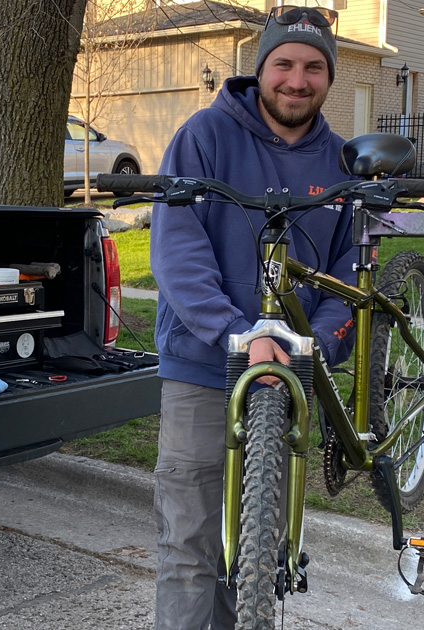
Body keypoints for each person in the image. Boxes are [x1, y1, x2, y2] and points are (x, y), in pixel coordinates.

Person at [148, 6, 359, 629]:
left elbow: (350, 272)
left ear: (329, 77)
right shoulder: (204, 136)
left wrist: (311, 342)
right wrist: (233, 332)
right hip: (203, 366)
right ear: (261, 67)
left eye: (314, 67)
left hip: (294, 371)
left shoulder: (343, 161)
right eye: (284, 63)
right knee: (189, 546)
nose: (297, 79)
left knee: (255, 555)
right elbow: (177, 248)